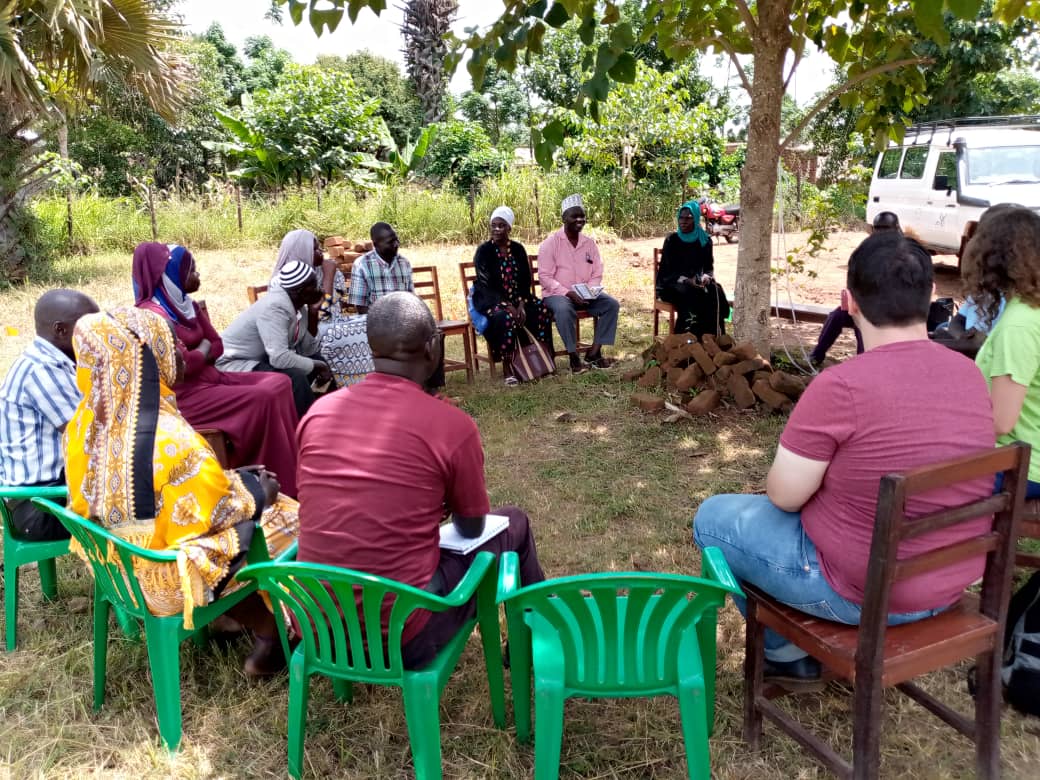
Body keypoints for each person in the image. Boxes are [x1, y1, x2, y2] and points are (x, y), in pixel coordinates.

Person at [693, 231, 995, 690]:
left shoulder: (840, 387)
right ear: (933, 296)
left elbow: (784, 496)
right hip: (950, 585)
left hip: (859, 595)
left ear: (847, 302)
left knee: (712, 519)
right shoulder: (971, 375)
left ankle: (786, 654)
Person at [296, 291, 545, 669]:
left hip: (318, 626)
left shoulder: (318, 413)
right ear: (433, 347)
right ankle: (531, 639)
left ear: (371, 346)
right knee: (516, 523)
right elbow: (471, 525)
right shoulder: (451, 425)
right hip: (401, 635)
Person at [64, 307, 300, 675]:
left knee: (245, 509)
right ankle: (273, 633)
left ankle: (231, 618)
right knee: (287, 516)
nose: (178, 352)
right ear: (146, 358)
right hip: (163, 582)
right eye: (167, 345)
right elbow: (218, 512)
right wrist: (259, 491)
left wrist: (238, 477)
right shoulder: (167, 436)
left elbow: (174, 496)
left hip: (116, 570)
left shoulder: (85, 424)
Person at [132, 243, 301, 496]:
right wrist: (202, 351)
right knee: (262, 398)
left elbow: (217, 344)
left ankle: (289, 465)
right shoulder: (152, 316)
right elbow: (181, 367)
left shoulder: (184, 304)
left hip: (211, 379)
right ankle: (261, 474)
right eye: (191, 271)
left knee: (280, 382)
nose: (197, 276)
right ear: (171, 275)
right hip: (185, 396)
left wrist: (199, 351)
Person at [0, 289, 98, 540]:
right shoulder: (41, 371)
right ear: (60, 330)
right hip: (39, 507)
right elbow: (92, 437)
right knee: (142, 510)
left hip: (51, 493)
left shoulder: (57, 361)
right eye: (88, 326)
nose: (96, 334)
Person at [965, 205, 1040, 498]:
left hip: (1020, 467)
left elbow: (1001, 421)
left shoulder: (1019, 325)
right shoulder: (1029, 310)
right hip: (1026, 458)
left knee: (909, 482)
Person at [216, 260, 333, 417]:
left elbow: (307, 350)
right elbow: (279, 358)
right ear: (301, 291)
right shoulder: (275, 307)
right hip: (235, 363)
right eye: (314, 284)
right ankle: (308, 430)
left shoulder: (299, 305)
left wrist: (313, 314)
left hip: (262, 359)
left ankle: (329, 417)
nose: (319, 287)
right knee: (295, 377)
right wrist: (317, 366)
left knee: (317, 361)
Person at [472, 206, 555, 386]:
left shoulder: (518, 249)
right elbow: (485, 285)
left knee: (542, 311)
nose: (496, 229)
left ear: (509, 228)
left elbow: (526, 280)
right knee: (505, 317)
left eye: (501, 226)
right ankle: (508, 367)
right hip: (490, 300)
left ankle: (543, 359)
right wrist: (507, 305)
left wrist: (521, 304)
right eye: (493, 225)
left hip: (519, 298)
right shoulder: (483, 251)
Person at [538, 194, 621, 373]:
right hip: (557, 295)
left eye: (582, 216)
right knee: (563, 309)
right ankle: (573, 357)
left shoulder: (589, 243)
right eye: (574, 216)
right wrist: (568, 293)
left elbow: (597, 272)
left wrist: (589, 291)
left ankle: (594, 353)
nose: (579, 219)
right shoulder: (550, 244)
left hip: (585, 295)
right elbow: (544, 277)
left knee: (611, 305)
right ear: (563, 218)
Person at [808, 211, 902, 365]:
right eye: (879, 229)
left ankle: (863, 365)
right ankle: (817, 355)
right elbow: (853, 276)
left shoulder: (905, 253)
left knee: (863, 323)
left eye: (886, 230)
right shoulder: (866, 250)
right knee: (837, 316)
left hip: (892, 311)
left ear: (896, 230)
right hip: (866, 303)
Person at [655, 200, 730, 338]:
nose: (683, 221)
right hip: (672, 283)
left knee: (715, 290)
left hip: (696, 282)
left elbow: (708, 267)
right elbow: (666, 271)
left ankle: (713, 338)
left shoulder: (705, 240)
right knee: (690, 294)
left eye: (688, 218)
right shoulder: (672, 240)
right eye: (681, 217)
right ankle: (686, 338)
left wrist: (706, 277)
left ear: (696, 219)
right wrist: (685, 280)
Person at [347, 222, 414, 314]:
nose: (396, 244)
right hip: (374, 323)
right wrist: (384, 322)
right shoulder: (362, 265)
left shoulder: (404, 263)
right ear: (376, 244)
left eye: (396, 240)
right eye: (390, 242)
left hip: (403, 322)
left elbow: (411, 299)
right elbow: (360, 306)